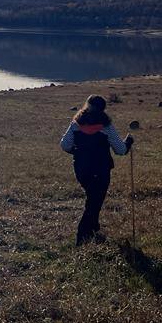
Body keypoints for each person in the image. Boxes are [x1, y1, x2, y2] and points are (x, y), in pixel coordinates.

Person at [59, 94, 134, 245]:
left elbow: (65, 145)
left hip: (81, 168)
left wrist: (77, 151)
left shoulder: (76, 124)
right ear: (103, 109)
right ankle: (82, 235)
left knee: (93, 198)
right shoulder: (106, 127)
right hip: (101, 169)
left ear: (86, 105)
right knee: (94, 201)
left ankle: (93, 228)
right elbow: (120, 150)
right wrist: (128, 142)